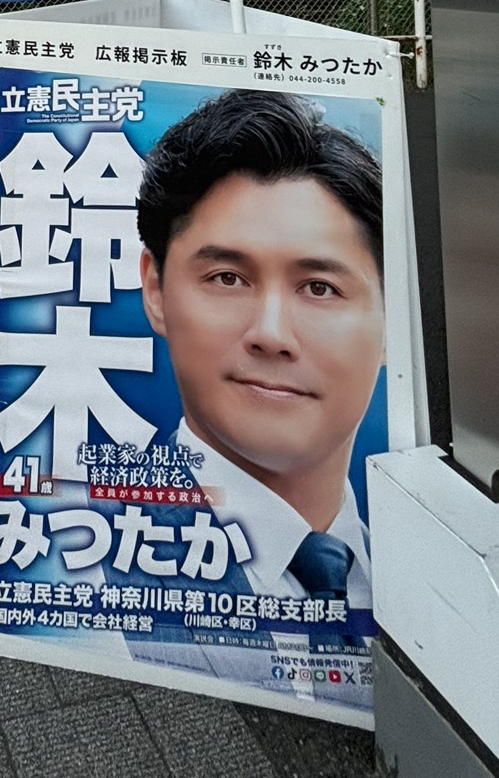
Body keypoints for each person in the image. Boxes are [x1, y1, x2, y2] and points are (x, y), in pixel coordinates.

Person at [130, 90, 385, 706]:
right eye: (227, 278)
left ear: (390, 318)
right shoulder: (69, 565)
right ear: (157, 291)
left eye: (320, 287)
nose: (271, 333)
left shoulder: (417, 567)